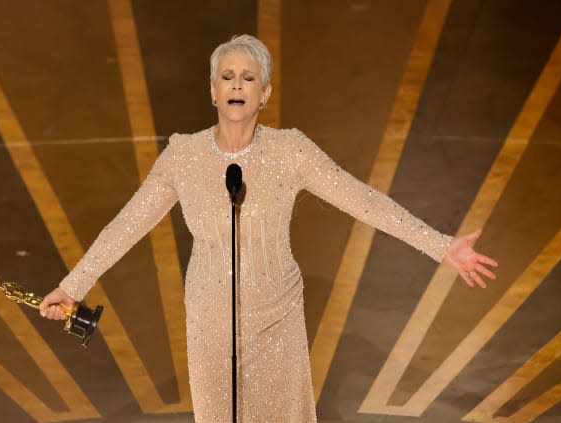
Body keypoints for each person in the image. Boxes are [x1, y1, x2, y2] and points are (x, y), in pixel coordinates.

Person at [39, 35, 498, 422]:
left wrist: (441, 246)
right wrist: (72, 285)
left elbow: (363, 200)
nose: (237, 85)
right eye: (227, 77)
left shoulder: (290, 151)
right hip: (208, 323)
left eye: (248, 77)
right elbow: (128, 224)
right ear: (213, 92)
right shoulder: (183, 156)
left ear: (265, 94)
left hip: (277, 318)